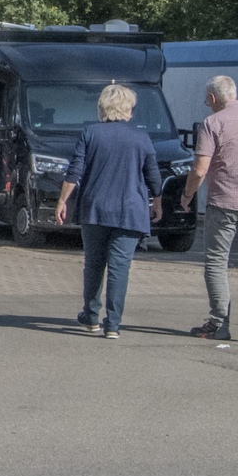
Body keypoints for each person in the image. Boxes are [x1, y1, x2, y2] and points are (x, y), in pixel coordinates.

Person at [54, 83, 163, 340]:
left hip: (96, 209)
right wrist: (157, 201)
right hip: (131, 211)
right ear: (128, 109)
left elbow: (75, 171)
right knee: (119, 268)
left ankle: (91, 317)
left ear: (102, 107)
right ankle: (113, 325)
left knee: (93, 264)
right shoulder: (142, 137)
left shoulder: (90, 133)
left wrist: (62, 201)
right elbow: (153, 176)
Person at [179, 75, 238, 340]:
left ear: (214, 98)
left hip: (224, 203)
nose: (206, 103)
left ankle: (219, 323)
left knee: (217, 262)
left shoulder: (213, 123)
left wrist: (187, 195)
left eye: (207, 99)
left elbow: (199, 169)